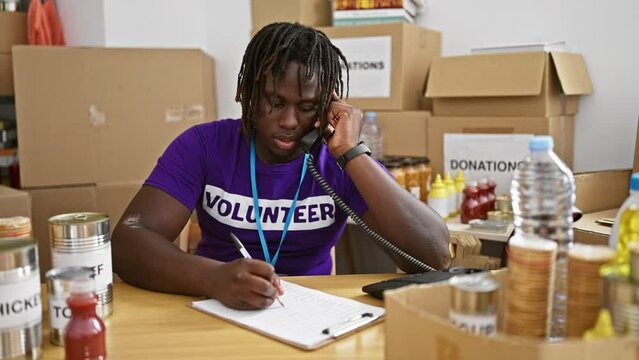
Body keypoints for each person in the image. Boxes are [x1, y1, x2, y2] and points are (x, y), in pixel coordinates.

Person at [112, 22, 450, 310]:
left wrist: (351, 152)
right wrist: (212, 278)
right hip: (218, 303)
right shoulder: (203, 144)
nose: (289, 121)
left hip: (312, 313)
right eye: (275, 102)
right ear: (249, 93)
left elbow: (434, 255)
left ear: (327, 106)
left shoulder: (337, 161)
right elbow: (128, 242)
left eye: (306, 107)